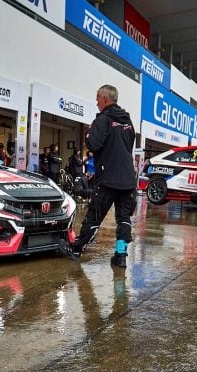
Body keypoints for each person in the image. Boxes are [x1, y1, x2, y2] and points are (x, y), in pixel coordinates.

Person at [58, 84, 137, 268]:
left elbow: (93, 144)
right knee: (124, 218)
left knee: (94, 216)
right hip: (128, 179)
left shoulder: (103, 119)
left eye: (97, 99)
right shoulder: (127, 120)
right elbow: (128, 145)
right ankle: (121, 254)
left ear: (105, 99)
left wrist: (88, 133)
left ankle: (76, 249)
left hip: (109, 177)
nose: (96, 103)